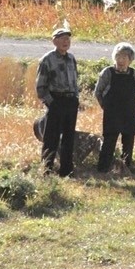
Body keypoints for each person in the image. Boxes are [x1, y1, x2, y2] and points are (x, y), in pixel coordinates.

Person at [36, 26, 80, 177]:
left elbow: (75, 81)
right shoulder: (47, 59)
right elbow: (40, 87)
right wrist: (51, 103)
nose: (65, 41)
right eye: (62, 39)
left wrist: (76, 99)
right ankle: (46, 170)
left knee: (69, 138)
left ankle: (66, 171)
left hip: (70, 101)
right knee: (51, 138)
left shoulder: (71, 58)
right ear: (54, 41)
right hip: (56, 101)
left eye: (67, 39)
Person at [94, 42, 135, 174]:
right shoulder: (107, 72)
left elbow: (134, 91)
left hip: (129, 112)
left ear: (130, 60)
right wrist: (106, 107)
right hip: (112, 113)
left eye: (124, 57)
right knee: (109, 141)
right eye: (118, 57)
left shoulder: (134, 74)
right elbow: (98, 92)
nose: (120, 60)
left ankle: (125, 168)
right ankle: (103, 169)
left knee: (129, 141)